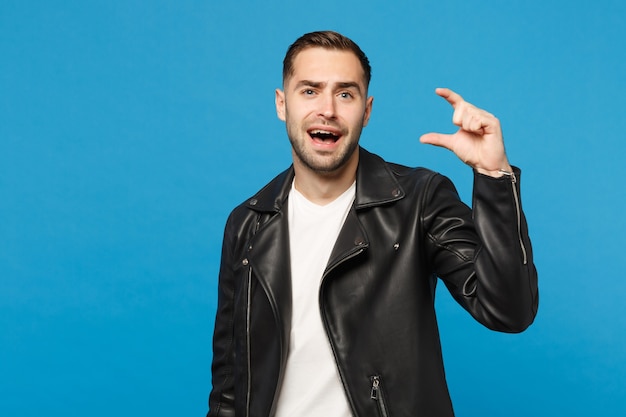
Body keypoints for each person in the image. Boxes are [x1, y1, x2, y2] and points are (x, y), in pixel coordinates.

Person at [207, 30, 538, 417]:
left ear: (366, 110)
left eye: (345, 94)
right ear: (283, 104)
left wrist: (493, 175)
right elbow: (230, 386)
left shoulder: (419, 200)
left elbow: (509, 310)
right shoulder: (248, 223)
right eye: (309, 91)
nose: (327, 109)